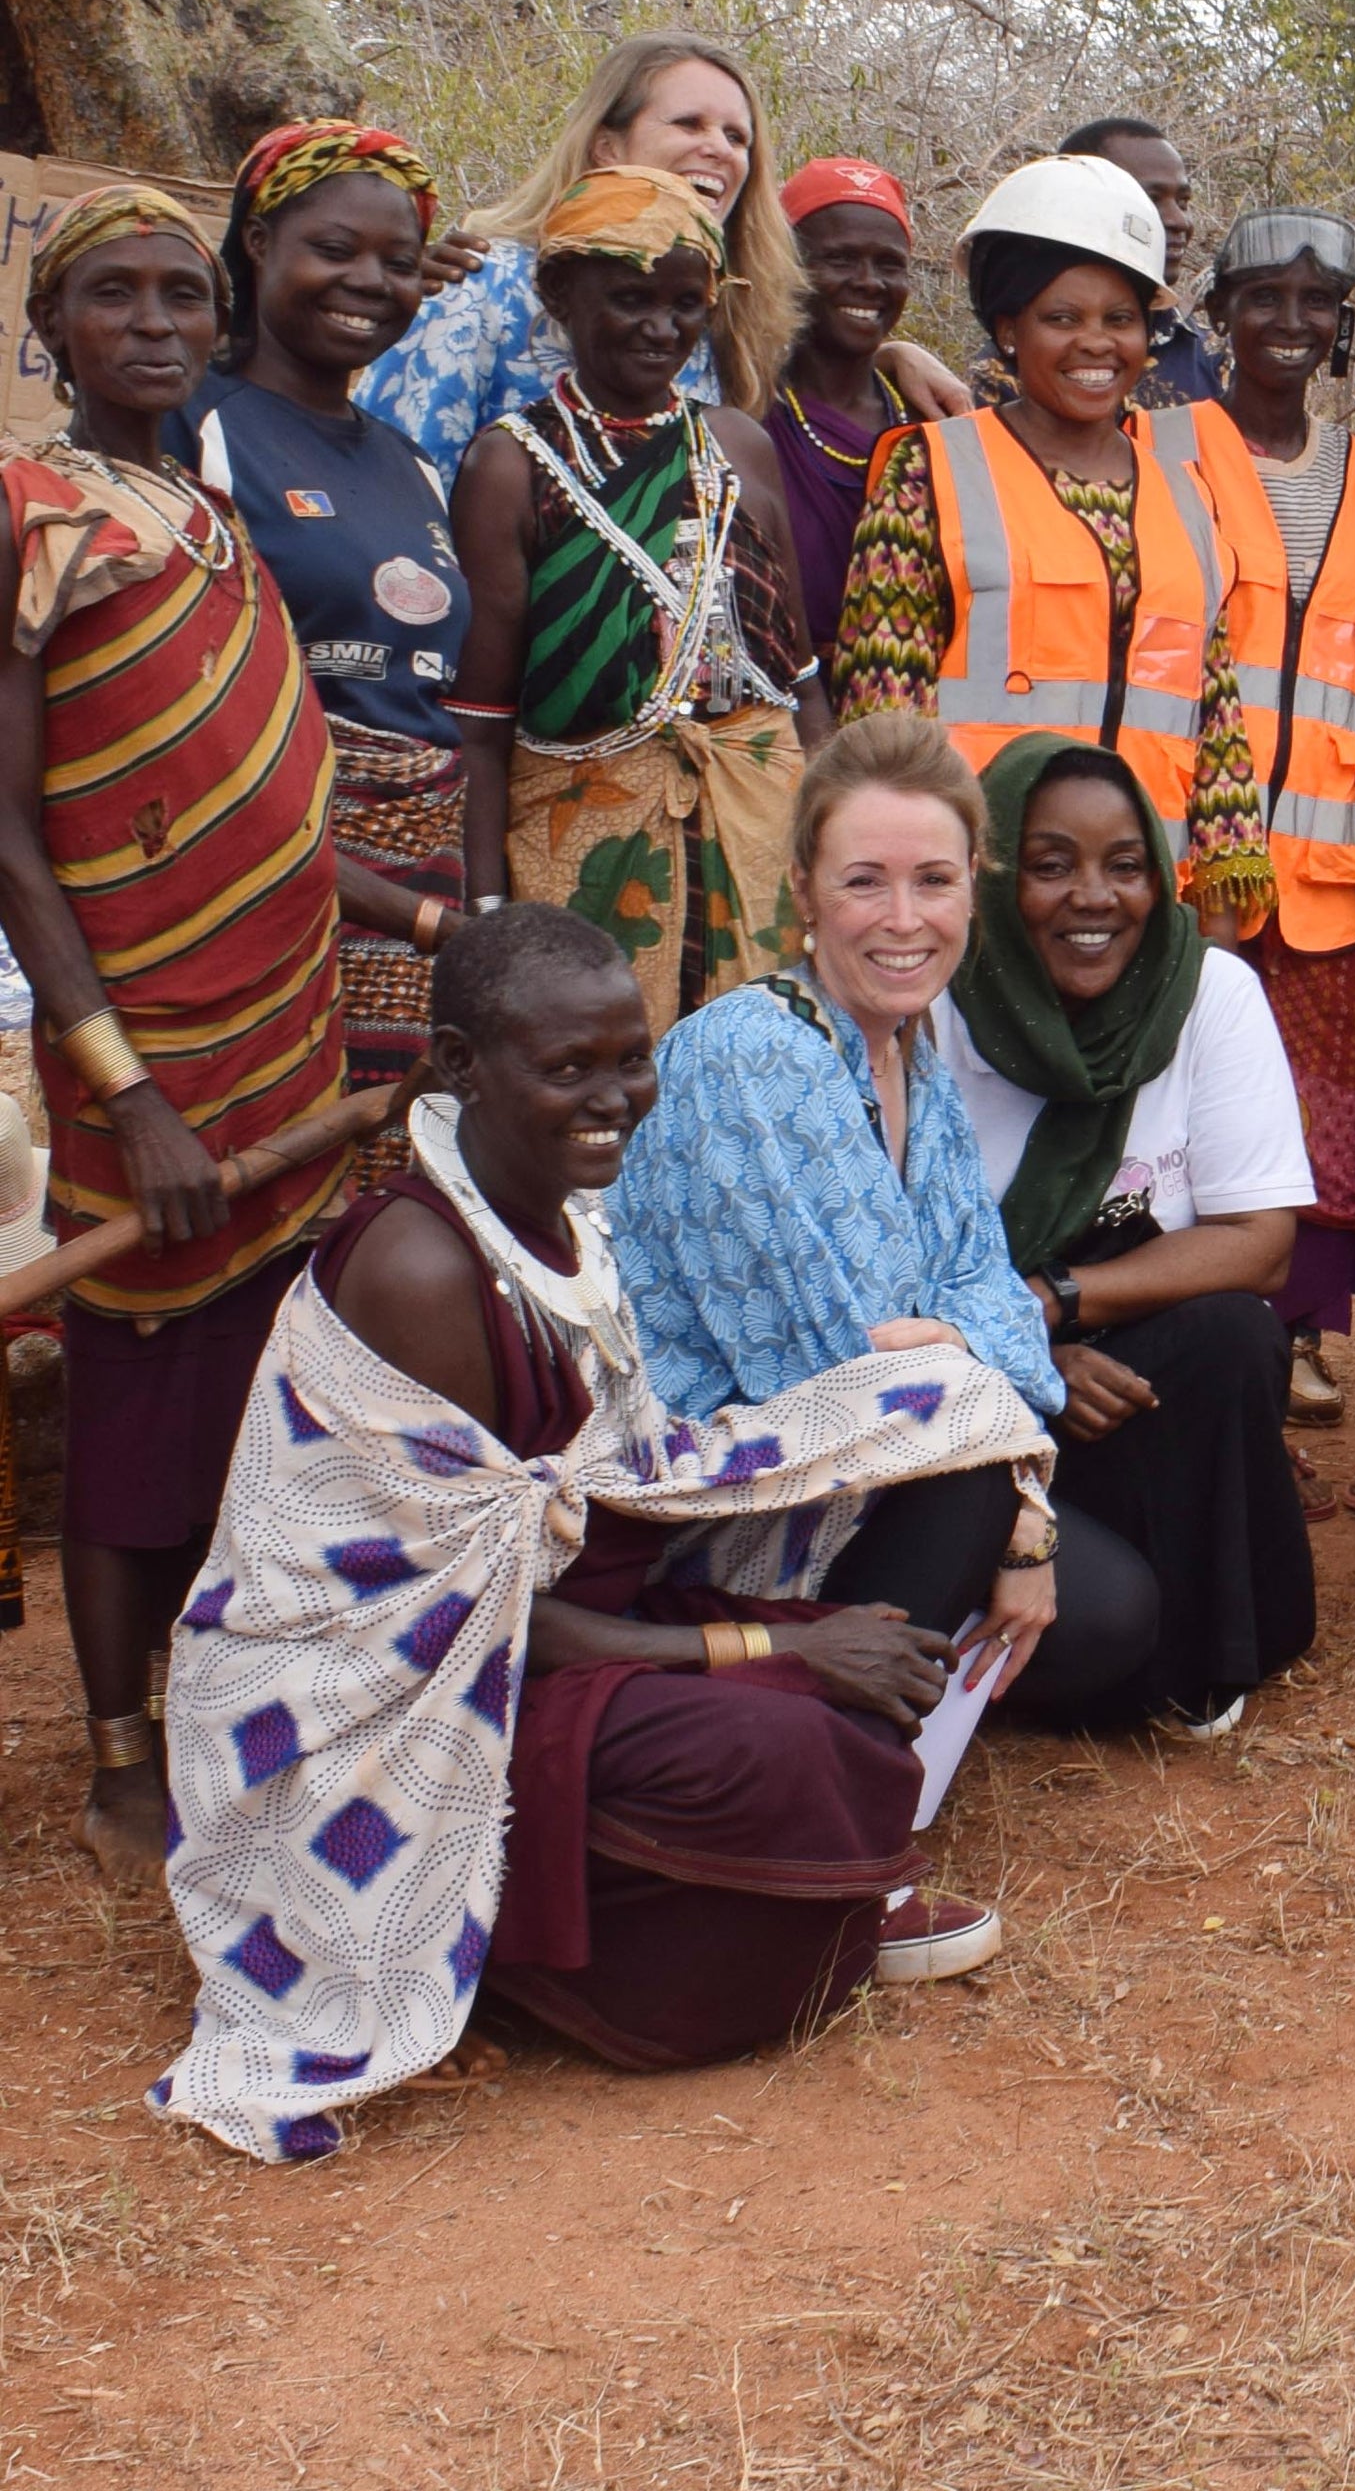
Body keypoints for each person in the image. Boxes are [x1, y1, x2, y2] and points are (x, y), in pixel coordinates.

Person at [151, 905, 1061, 2161]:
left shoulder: (563, 1221)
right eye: (567, 1067)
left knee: (944, 1421)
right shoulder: (422, 1270)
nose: (617, 1096)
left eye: (630, 1058)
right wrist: (778, 1647)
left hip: (560, 1615)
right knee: (769, 1747)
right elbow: (469, 1623)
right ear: (462, 1066)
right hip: (387, 1702)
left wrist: (954, 1489)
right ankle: (564, 1942)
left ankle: (788, 1847)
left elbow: (611, 1481)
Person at [0, 186, 414, 1887]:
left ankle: (225, 1703)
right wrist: (130, 1096)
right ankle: (115, 1751)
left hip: (289, 1033)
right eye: (117, 295)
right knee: (137, 1400)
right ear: (55, 328)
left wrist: (437, 925)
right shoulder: (33, 515)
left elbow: (271, 806)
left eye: (184, 291)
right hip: (146, 1057)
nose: (159, 321)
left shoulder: (211, 516)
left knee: (261, 1396)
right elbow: (13, 835)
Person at [605, 713, 1162, 1774]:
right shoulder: (754, 1054)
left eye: (934, 882)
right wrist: (1008, 1480)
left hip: (875, 1462)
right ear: (803, 894)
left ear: (972, 890)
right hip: (706, 1504)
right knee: (981, 1480)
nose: (904, 920)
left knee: (1116, 1622)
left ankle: (867, 1712)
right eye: (865, 881)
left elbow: (988, 1304)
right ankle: (825, 1802)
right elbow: (846, 1372)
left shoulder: (913, 1060)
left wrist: (958, 1345)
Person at [936, 739, 1321, 1729]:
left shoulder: (1207, 992)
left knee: (1233, 1334)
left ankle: (1201, 1647)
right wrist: (1029, 1351)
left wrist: (1060, 1304)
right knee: (1095, 1633)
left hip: (1109, 1356)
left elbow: (1259, 1241)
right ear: (991, 874)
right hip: (963, 1382)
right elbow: (890, 1273)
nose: (1093, 896)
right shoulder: (934, 1004)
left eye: (1124, 864)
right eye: (1051, 863)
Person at [830, 153, 1275, 931]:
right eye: (1061, 318)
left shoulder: (1185, 491)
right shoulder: (931, 471)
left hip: (1144, 909)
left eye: (1120, 319)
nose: (1095, 345)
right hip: (979, 907)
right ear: (1008, 329)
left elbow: (1219, 726)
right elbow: (881, 717)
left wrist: (1217, 935)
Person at [444, 167, 831, 1035]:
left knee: (757, 1089)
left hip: (762, 840)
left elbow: (802, 681)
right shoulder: (510, 468)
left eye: (686, 304)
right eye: (628, 299)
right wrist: (492, 913)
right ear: (559, 294)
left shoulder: (739, 447)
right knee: (595, 1103)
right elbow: (479, 724)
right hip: (581, 857)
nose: (662, 329)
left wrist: (836, 856)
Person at [190, 120, 471, 1175]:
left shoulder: (411, 463)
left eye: (399, 264)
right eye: (334, 250)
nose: (370, 282)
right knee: (274, 1174)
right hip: (275, 867)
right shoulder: (196, 425)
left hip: (418, 883)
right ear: (258, 245)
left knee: (390, 1182)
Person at [362, 29, 963, 467]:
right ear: (606, 147)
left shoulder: (727, 321)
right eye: (688, 124)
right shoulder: (479, 286)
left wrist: (894, 354)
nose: (719, 149)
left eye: (736, 136)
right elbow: (399, 493)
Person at [1165, 205, 1355, 1372]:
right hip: (1197, 848)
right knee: (1195, 1096)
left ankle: (1297, 1337)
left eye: (1314, 303)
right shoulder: (1166, 445)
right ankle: (1212, 1331)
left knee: (1314, 1105)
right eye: (1263, 298)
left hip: (1328, 851)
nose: (1289, 323)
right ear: (1219, 316)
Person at [762, 155, 919, 668]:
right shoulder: (746, 412)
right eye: (840, 259)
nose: (869, 282)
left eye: (889, 264)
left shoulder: (929, 420)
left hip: (902, 715)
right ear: (786, 266)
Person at [1057, 117, 1224, 407]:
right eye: (1150, 199)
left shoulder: (1213, 357)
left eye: (1183, 202)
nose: (1179, 221)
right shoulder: (1018, 363)